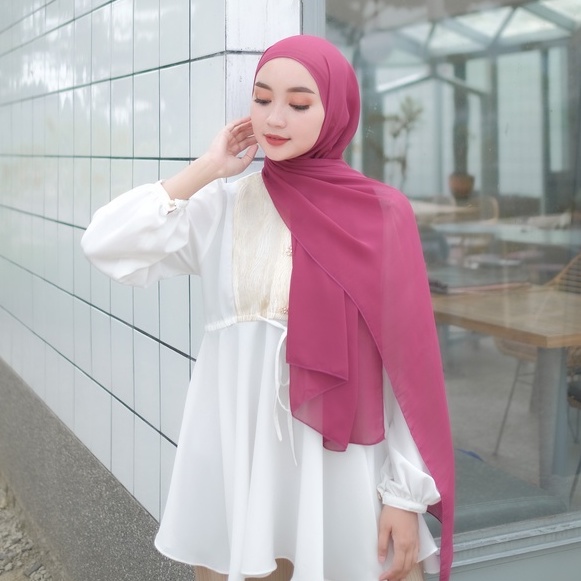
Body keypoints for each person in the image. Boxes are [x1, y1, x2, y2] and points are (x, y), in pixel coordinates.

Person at [82, 35, 454, 581]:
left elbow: (407, 370)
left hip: (338, 467)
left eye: (299, 103)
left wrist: (404, 493)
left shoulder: (380, 213)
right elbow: (105, 243)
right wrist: (205, 169)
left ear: (336, 112)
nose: (275, 118)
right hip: (241, 458)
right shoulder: (225, 204)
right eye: (261, 99)